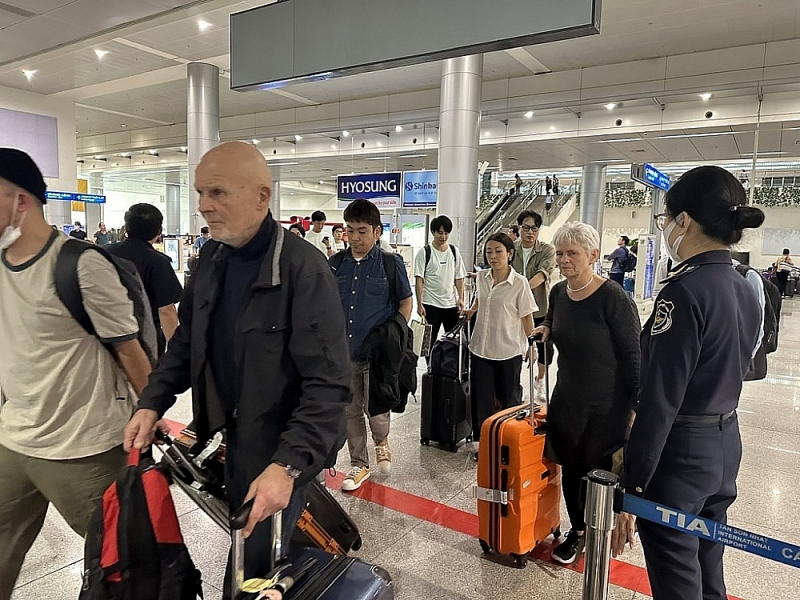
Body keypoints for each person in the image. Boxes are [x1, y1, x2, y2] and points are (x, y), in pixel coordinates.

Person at [123, 142, 351, 595]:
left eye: (218, 193)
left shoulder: (304, 270)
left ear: (262, 196)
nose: (204, 205)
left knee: (251, 574)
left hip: (281, 447)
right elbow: (188, 341)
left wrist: (286, 467)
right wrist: (151, 403)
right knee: (247, 556)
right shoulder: (212, 258)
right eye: (201, 193)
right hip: (233, 437)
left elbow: (328, 385)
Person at [0, 149, 154, 600]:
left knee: (119, 565)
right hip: (14, 440)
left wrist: (150, 413)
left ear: (20, 200)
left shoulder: (81, 264)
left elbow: (130, 350)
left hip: (83, 448)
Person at [612, 166, 765, 600]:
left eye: (665, 220)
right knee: (708, 571)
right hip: (724, 444)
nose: (665, 230)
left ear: (684, 222)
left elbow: (660, 400)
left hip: (679, 457)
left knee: (677, 580)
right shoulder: (743, 286)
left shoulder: (684, 292)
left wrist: (634, 485)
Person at [533, 221, 641, 564]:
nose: (565, 260)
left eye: (573, 254)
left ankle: (597, 529)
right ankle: (578, 531)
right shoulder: (559, 293)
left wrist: (637, 407)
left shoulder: (613, 298)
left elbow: (633, 355)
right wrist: (546, 328)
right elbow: (553, 318)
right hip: (568, 398)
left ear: (593, 255)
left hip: (606, 405)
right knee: (570, 464)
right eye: (561, 254)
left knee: (596, 473)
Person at [330, 199, 413, 492]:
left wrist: (396, 336)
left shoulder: (391, 264)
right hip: (345, 354)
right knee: (351, 410)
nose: (354, 238)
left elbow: (405, 302)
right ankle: (358, 464)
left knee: (376, 411)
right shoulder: (336, 265)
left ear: (377, 231)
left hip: (379, 356)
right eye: (349, 230)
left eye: (362, 231)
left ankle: (382, 441)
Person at [462, 232, 537, 460]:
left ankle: (507, 443)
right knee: (481, 400)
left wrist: (531, 345)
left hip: (508, 350)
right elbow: (480, 299)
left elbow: (526, 317)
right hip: (480, 348)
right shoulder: (482, 277)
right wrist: (471, 311)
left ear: (510, 254)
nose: (493, 256)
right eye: (489, 252)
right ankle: (483, 444)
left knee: (509, 400)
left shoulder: (520, 283)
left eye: (498, 252)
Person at [106, 203, 183, 357]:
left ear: (126, 228)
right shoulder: (158, 262)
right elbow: (166, 311)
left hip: (106, 333)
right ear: (158, 231)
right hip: (144, 339)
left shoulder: (103, 253)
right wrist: (177, 352)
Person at [510, 210, 556, 402]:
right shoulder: (510, 248)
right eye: (526, 228)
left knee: (544, 347)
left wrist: (522, 288)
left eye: (534, 228)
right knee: (515, 346)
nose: (530, 232)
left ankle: (540, 379)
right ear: (519, 228)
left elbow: (542, 274)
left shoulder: (547, 250)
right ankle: (514, 385)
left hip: (539, 308)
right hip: (513, 308)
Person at [414, 215, 466, 346]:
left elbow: (459, 277)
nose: (443, 237)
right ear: (433, 232)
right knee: (429, 342)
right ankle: (430, 366)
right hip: (430, 304)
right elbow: (419, 280)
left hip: (450, 304)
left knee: (453, 341)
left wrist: (461, 298)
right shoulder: (425, 252)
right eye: (440, 233)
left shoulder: (454, 252)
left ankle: (450, 366)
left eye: (446, 233)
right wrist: (419, 304)